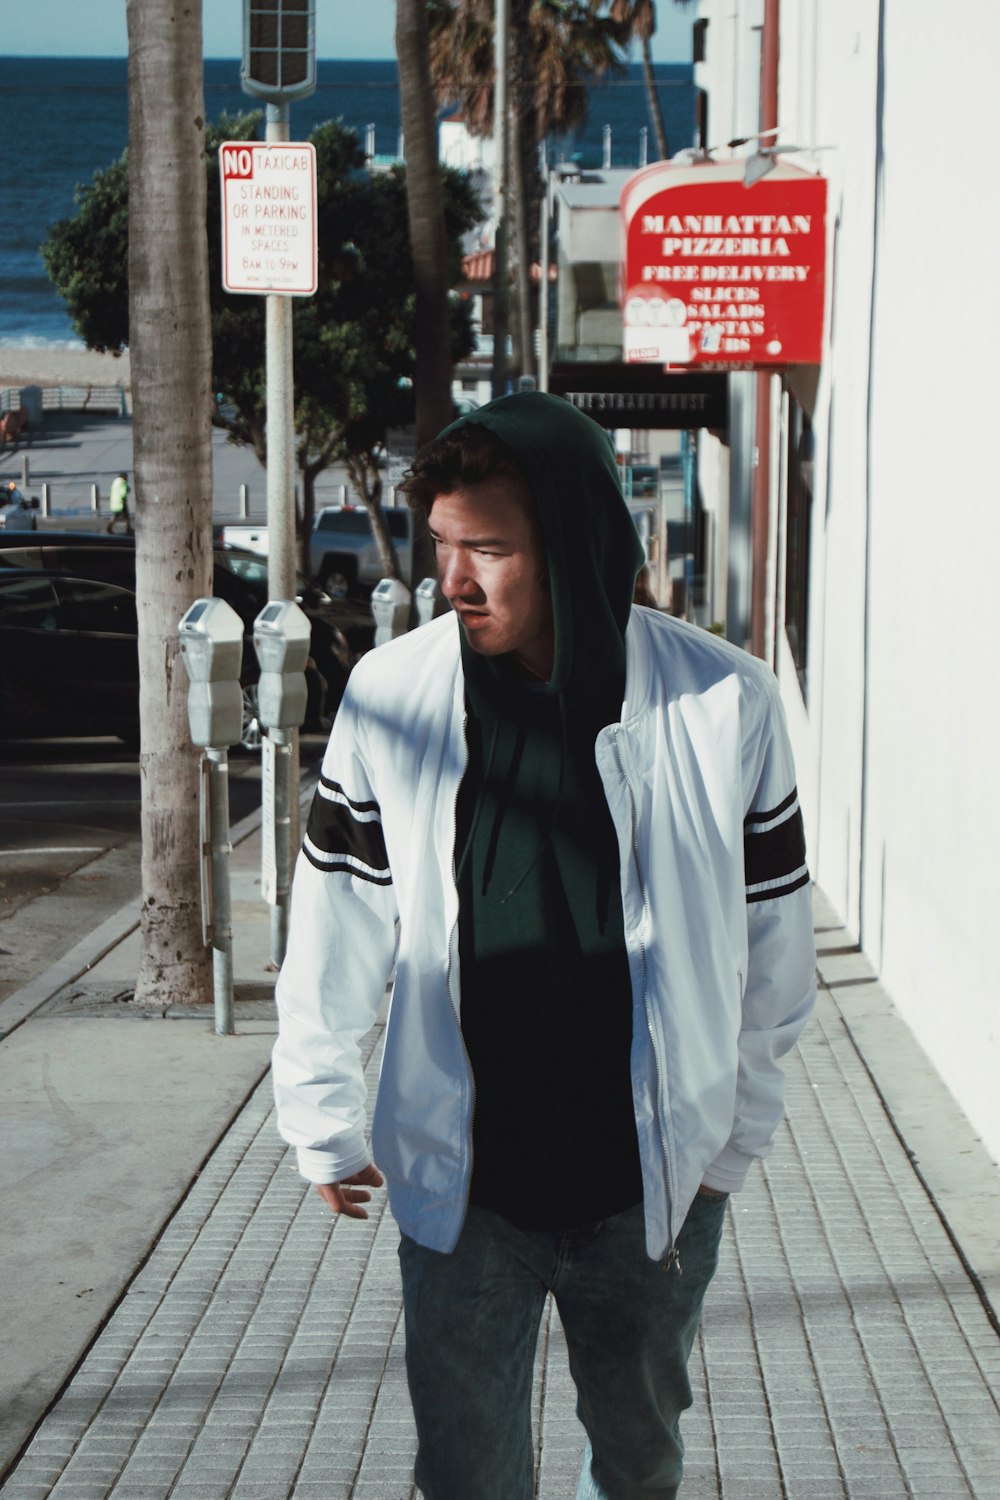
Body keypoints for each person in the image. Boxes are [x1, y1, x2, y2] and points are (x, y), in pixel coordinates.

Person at [272, 391, 816, 1500]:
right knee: (466, 1476)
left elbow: (775, 951)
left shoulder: (725, 703)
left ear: (568, 542)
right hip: (466, 1189)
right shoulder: (392, 695)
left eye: (489, 549)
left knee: (637, 1463)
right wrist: (321, 1115)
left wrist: (729, 1146)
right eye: (441, 548)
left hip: (650, 1191)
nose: (454, 580)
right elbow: (335, 917)